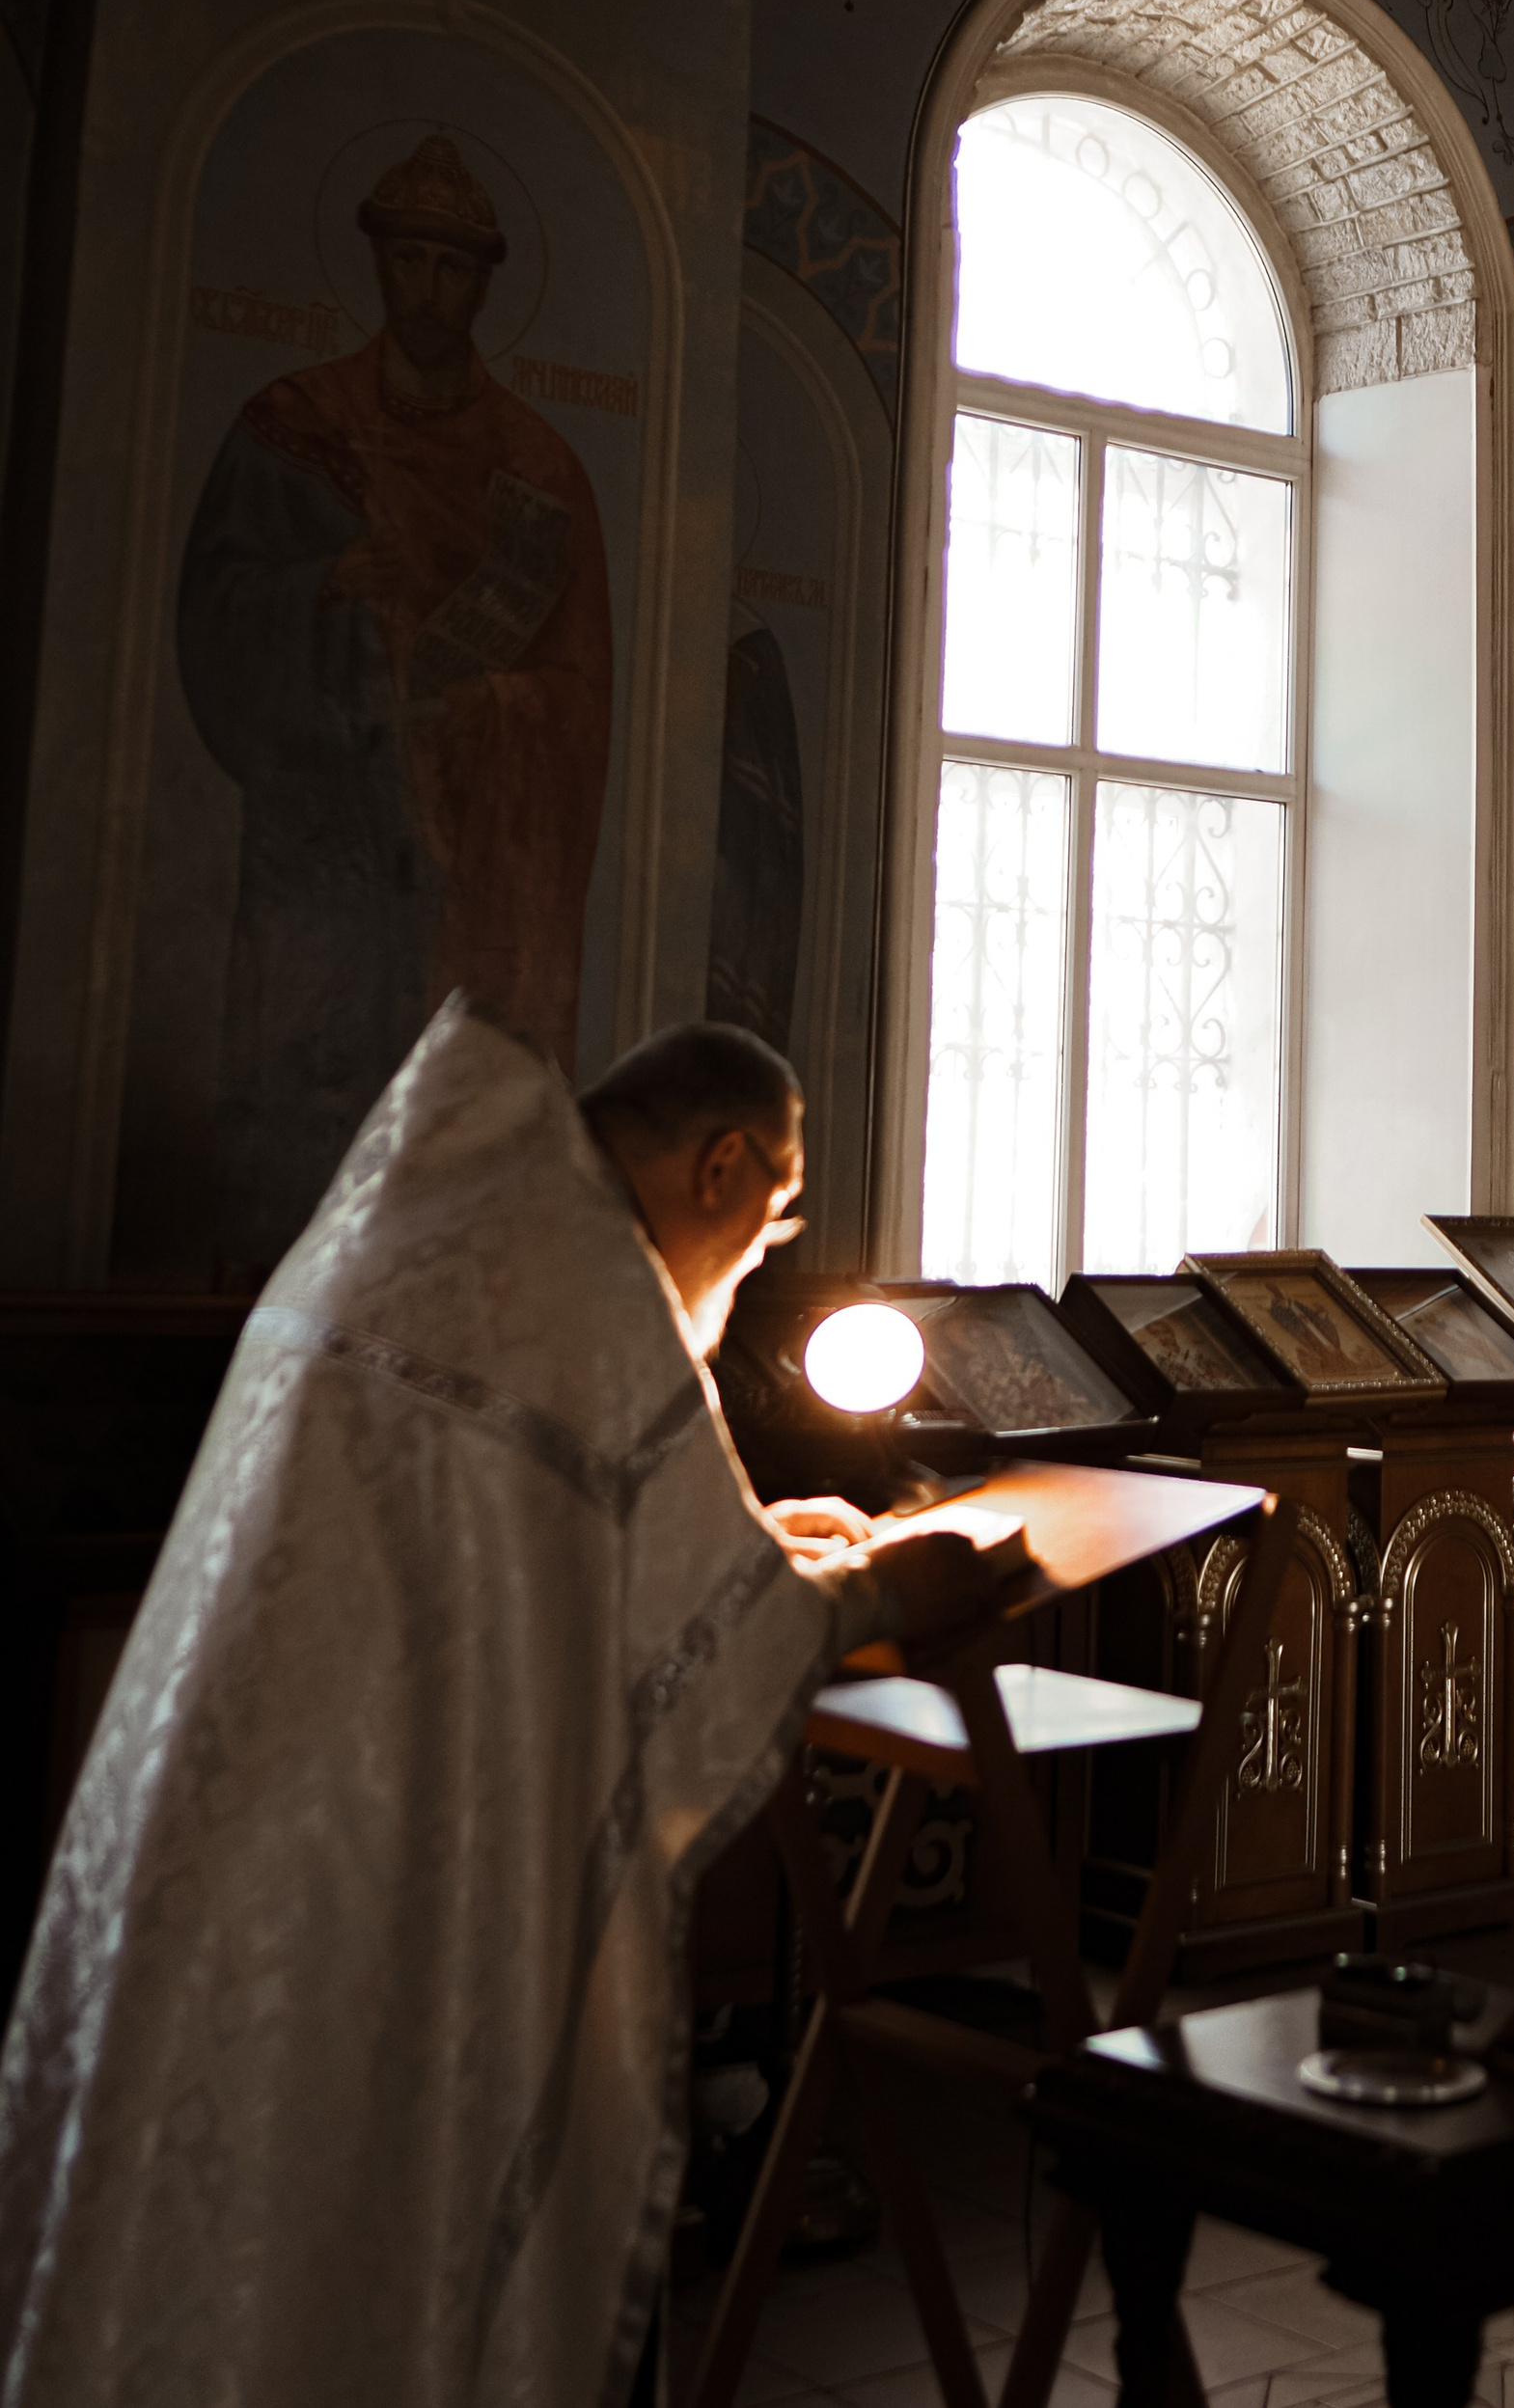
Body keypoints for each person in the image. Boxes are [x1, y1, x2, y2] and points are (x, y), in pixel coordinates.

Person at [0, 1000, 987, 2407]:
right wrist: (895, 1590)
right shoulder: (582, 1278)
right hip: (369, 1872)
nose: (755, 1260)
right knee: (340, 2229)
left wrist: (765, 1537)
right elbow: (692, 1635)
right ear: (721, 1168)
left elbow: (535, 1548)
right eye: (769, 1224)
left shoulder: (446, 1215)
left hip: (229, 1839)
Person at [178, 130, 614, 1281]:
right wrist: (320, 583)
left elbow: (577, 689)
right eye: (408, 262)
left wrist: (490, 706)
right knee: (305, 1062)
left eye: (450, 267)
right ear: (377, 268)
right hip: (324, 823)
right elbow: (213, 612)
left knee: (441, 1103)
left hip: (467, 844)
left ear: (483, 283)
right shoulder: (294, 428)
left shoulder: (539, 465)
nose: (427, 289)